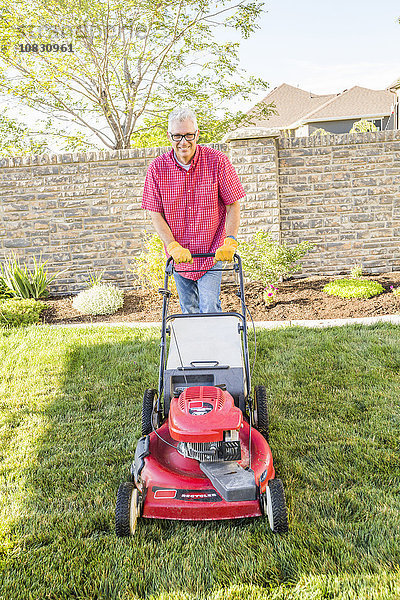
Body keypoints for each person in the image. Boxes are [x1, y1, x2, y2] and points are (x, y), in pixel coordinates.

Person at [141, 107, 245, 313]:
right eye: (177, 136)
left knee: (209, 307)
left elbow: (232, 203)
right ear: (170, 136)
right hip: (180, 254)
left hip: (212, 250)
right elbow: (155, 213)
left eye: (188, 135)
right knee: (188, 308)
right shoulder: (157, 169)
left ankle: (213, 346)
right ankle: (193, 346)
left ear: (197, 134)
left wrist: (230, 240)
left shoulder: (217, 161)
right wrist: (172, 246)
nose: (183, 142)